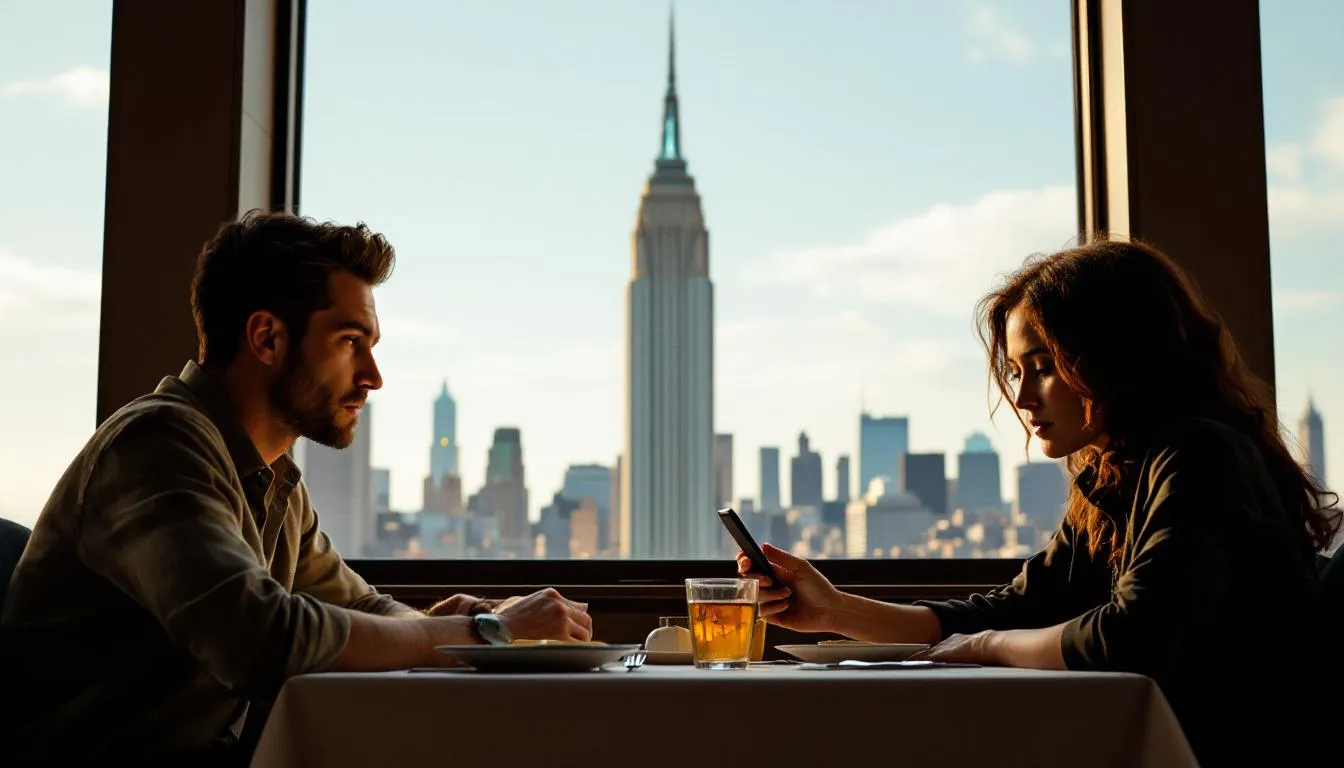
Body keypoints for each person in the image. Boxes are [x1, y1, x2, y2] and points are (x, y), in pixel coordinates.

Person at [0, 211, 592, 764]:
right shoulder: (157, 446)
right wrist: (478, 634)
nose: (373, 377)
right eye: (349, 342)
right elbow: (263, 639)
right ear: (266, 339)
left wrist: (454, 622)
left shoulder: (272, 480)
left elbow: (359, 606)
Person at [738, 238, 1340, 766]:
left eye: (1043, 366)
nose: (1022, 396)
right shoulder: (1111, 484)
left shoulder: (1201, 456)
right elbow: (1010, 610)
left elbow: (1126, 637)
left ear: (1115, 357)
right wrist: (835, 612)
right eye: (1015, 370)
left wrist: (988, 649)